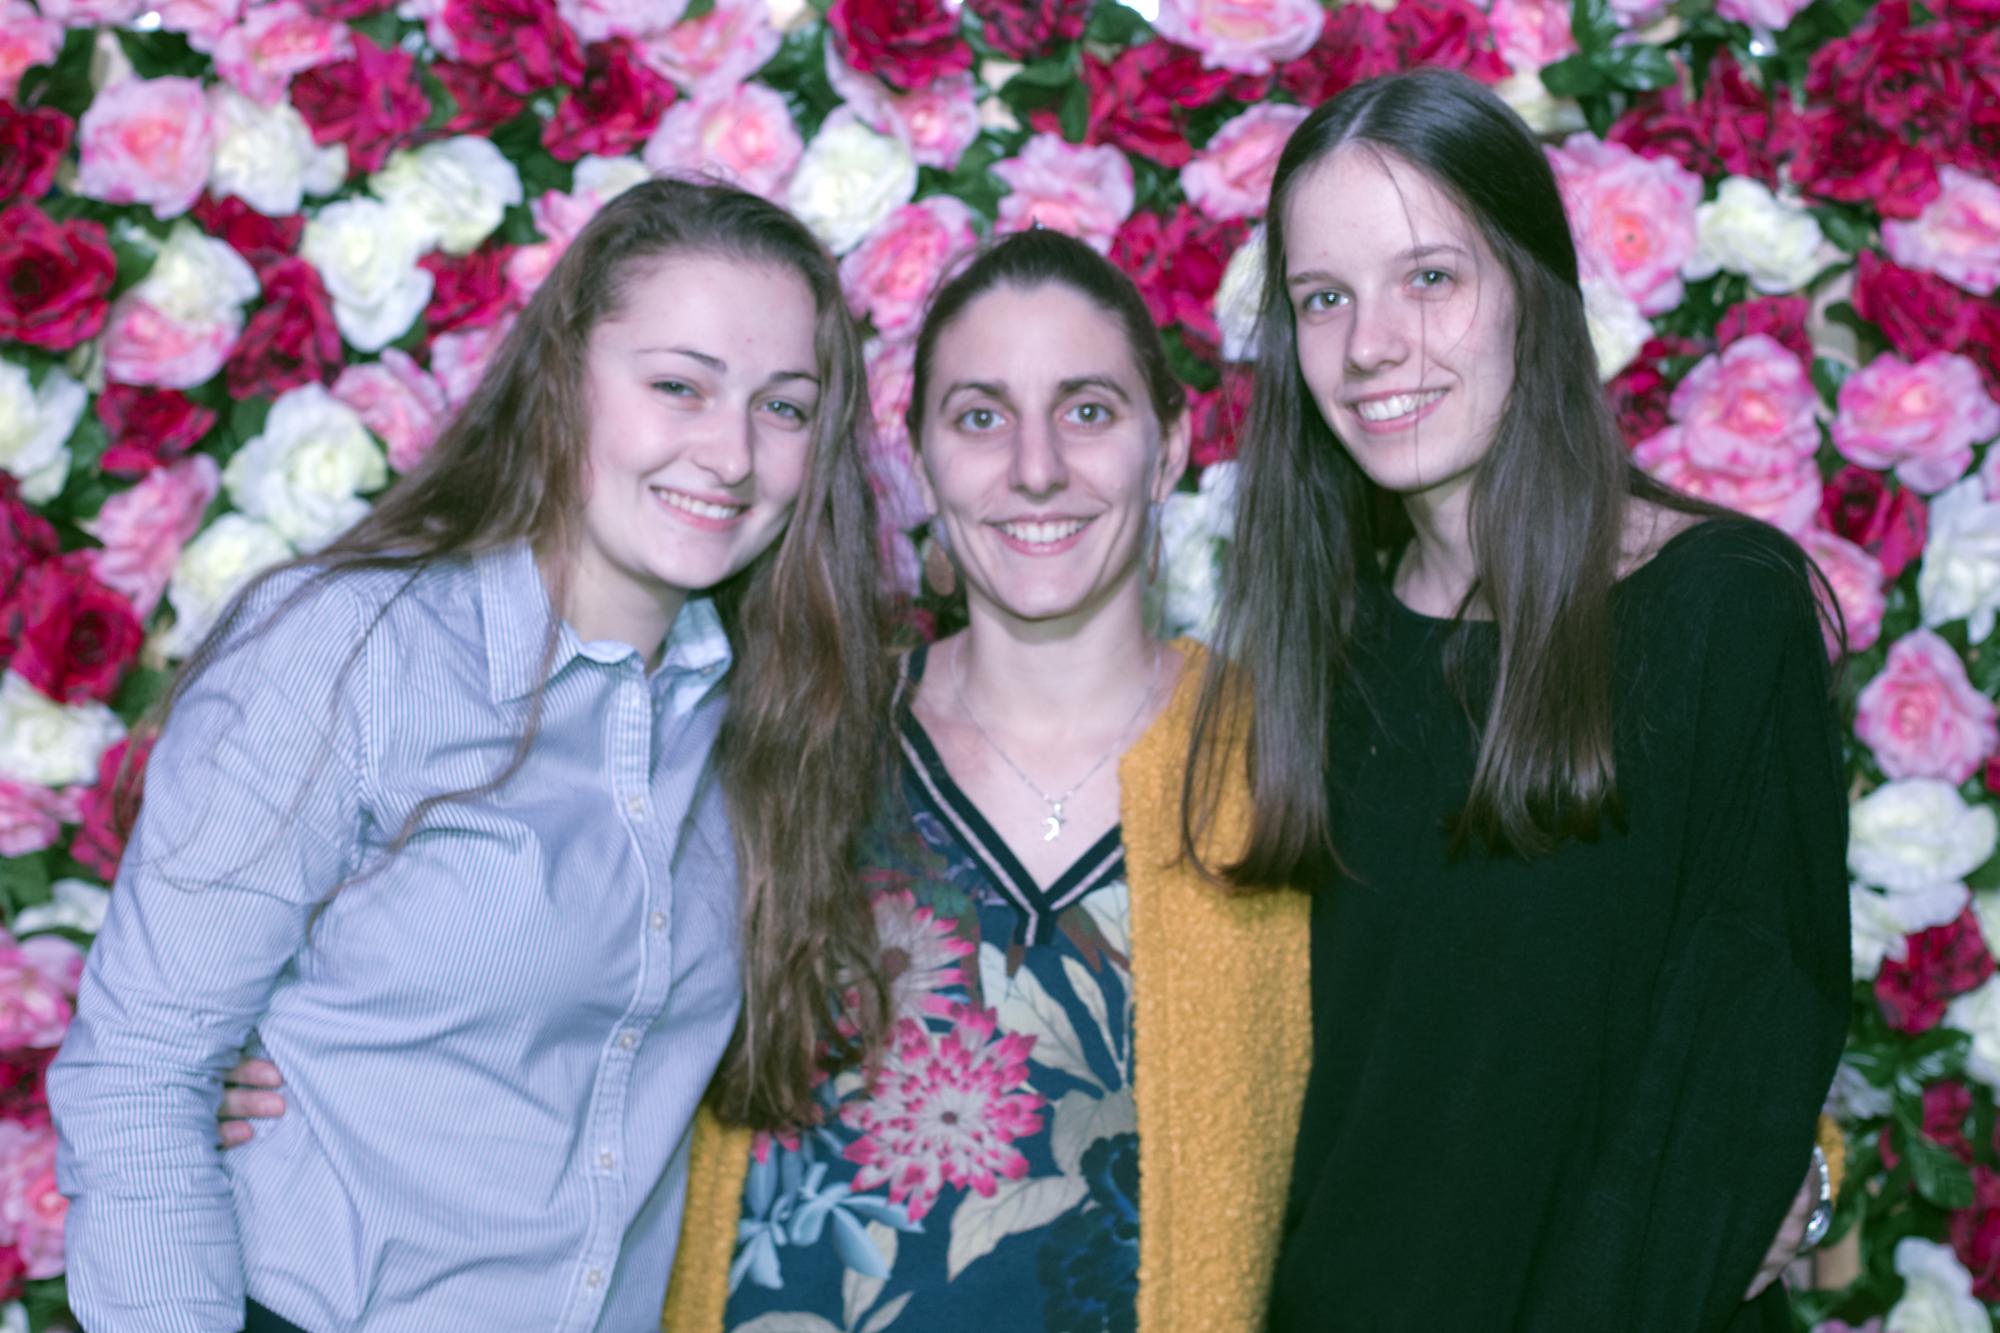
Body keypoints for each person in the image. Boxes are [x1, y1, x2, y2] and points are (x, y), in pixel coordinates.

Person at [50, 177, 894, 1333]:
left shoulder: (766, 716)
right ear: (564, 377)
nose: (731, 453)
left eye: (784, 407)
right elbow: (141, 1070)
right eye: (677, 386)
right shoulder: (354, 647)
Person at [1187, 69, 1851, 1331]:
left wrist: (1793, 1181)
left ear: (1531, 293)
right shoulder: (1320, 645)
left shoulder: (1717, 612)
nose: (1368, 344)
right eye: (1322, 297)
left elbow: (1726, 1081)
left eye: (1429, 277)